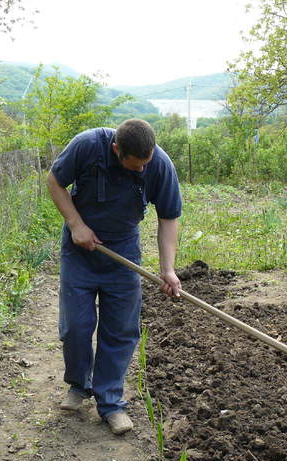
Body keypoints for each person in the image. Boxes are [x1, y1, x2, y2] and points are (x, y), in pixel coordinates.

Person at [46, 119, 182, 435]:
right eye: (134, 166)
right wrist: (76, 224)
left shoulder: (159, 164)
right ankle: (80, 386)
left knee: (120, 329)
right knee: (77, 326)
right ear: (116, 149)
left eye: (144, 166)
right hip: (80, 250)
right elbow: (54, 182)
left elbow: (168, 217)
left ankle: (110, 402)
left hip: (123, 252)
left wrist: (168, 269)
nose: (140, 172)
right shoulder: (87, 145)